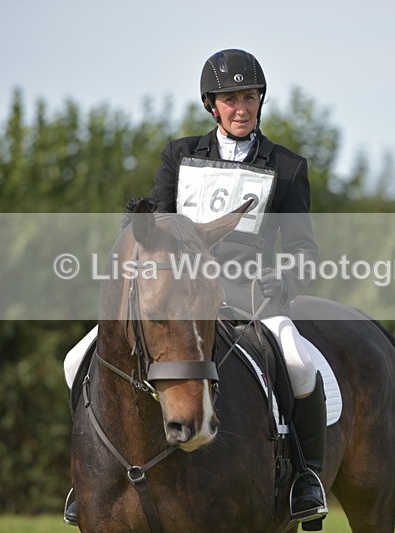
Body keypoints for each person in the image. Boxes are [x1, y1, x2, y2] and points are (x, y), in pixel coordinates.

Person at [63, 48, 327, 527]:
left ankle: (305, 477)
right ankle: (87, 480)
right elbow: (154, 228)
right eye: (230, 99)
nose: (241, 108)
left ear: (260, 101)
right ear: (212, 105)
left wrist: (285, 278)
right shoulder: (180, 155)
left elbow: (305, 248)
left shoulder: (287, 167)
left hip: (251, 297)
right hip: (180, 293)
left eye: (249, 97)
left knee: (299, 363)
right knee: (74, 361)